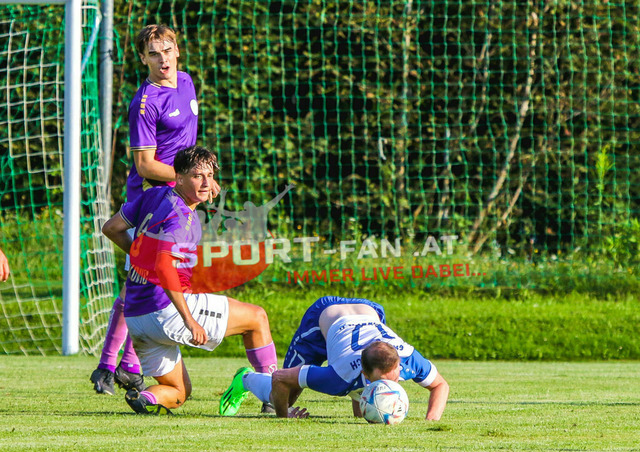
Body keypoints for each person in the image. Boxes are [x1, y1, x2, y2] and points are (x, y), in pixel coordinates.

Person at [90, 24, 220, 395]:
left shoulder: (186, 82)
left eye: (167, 50)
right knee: (146, 279)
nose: (162, 59)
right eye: (153, 53)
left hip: (180, 196)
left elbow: (185, 144)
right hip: (153, 197)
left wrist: (199, 179)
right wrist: (192, 180)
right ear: (143, 59)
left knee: (145, 279)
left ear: (177, 51)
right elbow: (145, 164)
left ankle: (118, 368)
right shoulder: (144, 103)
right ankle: (112, 367)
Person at [102, 146, 278, 415]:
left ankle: (145, 398)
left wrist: (141, 258)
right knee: (256, 318)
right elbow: (164, 267)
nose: (206, 183)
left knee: (179, 391)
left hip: (137, 317)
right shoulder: (182, 218)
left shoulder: (154, 195)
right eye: (198, 176)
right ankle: (274, 396)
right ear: (179, 178)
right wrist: (189, 320)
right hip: (165, 311)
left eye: (210, 176)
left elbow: (111, 228)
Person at [219, 296, 449, 420]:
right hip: (323, 317)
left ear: (398, 364)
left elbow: (440, 385)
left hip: (367, 309)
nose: (392, 386)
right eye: (381, 382)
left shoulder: (407, 357)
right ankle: (245, 379)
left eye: (394, 378)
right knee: (283, 397)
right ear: (364, 373)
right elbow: (280, 377)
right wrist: (284, 415)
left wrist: (431, 420)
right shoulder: (337, 377)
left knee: (360, 409)